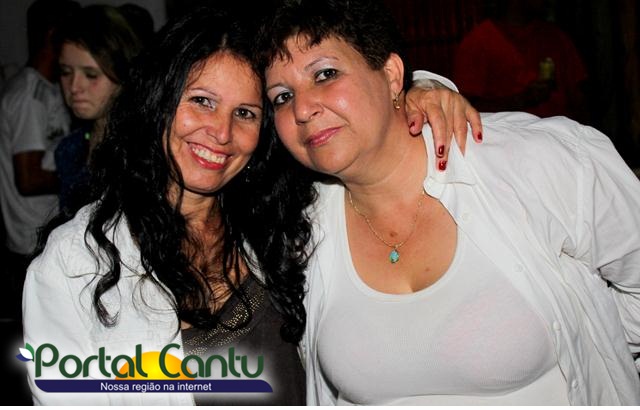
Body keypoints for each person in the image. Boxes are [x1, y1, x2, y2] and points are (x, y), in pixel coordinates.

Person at [22, 4, 480, 406]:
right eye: (202, 102)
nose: (221, 133)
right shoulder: (75, 265)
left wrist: (421, 91)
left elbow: (373, 138)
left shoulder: (288, 221)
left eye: (245, 113)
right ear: (158, 100)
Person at [257, 0, 640, 405]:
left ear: (391, 75)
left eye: (325, 74)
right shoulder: (293, 231)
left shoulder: (538, 163)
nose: (302, 109)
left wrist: (599, 352)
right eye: (282, 97)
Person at [0, 0, 79, 320]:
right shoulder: (28, 97)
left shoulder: (53, 89)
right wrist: (80, 175)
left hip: (47, 234)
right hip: (29, 243)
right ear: (54, 35)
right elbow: (29, 178)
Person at [54, 5, 143, 215]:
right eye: (65, 72)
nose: (74, 87)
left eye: (91, 75)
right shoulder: (69, 149)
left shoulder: (142, 151)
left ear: (122, 74)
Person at [453, 0, 589, 121]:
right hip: (508, 138)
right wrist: (521, 100)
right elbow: (467, 108)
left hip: (561, 136)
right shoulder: (479, 42)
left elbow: (580, 99)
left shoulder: (557, 38)